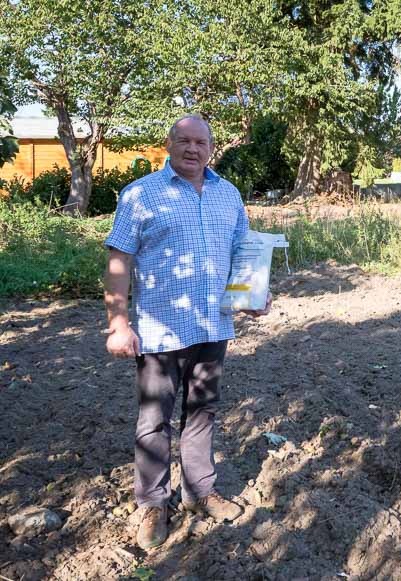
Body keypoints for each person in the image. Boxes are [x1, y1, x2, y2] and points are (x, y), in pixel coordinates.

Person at [104, 115, 269, 549]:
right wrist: (119, 323)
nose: (192, 149)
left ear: (212, 147)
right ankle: (153, 504)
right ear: (169, 142)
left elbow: (243, 253)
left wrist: (253, 296)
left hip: (213, 325)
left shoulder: (228, 194)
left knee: (202, 413)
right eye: (184, 141)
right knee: (153, 419)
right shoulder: (140, 195)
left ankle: (199, 491)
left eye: (201, 142)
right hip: (159, 330)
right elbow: (119, 259)